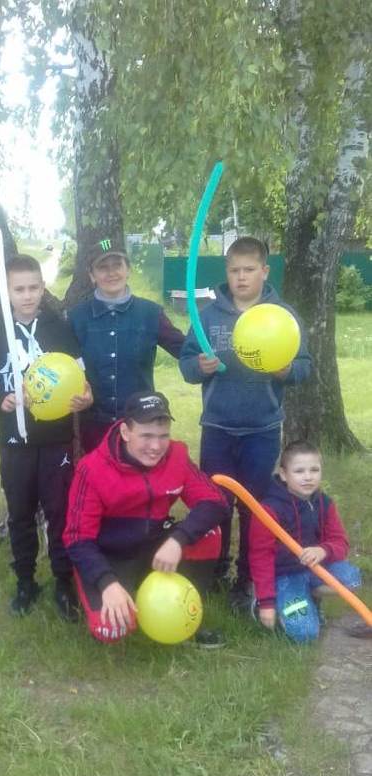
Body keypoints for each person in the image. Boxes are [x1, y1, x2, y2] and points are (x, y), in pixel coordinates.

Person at [178, 236, 312, 608]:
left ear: (264, 271)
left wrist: (287, 370)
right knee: (215, 503)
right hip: (218, 428)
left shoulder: (281, 316)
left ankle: (248, 577)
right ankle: (215, 568)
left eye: (249, 270)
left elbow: (304, 365)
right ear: (227, 272)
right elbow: (186, 364)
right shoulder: (208, 316)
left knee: (255, 507)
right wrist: (198, 366)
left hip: (261, 430)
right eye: (235, 270)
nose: (241, 277)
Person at [0, 254, 93, 619]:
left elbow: (80, 378)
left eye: (33, 288)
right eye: (19, 289)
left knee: (58, 510)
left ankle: (63, 581)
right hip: (14, 441)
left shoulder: (59, 329)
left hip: (55, 438)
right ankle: (25, 581)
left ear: (43, 288)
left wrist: (85, 397)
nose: (27, 295)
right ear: (7, 292)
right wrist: (0, 399)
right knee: (20, 512)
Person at [63, 391, 229, 646]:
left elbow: (215, 502)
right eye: (146, 436)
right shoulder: (92, 468)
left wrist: (178, 540)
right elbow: (77, 538)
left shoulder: (177, 455)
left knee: (209, 532)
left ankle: (184, 609)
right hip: (111, 557)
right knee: (112, 630)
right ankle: (106, 592)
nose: (156, 447)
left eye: (163, 436)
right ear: (125, 432)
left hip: (155, 548)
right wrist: (107, 584)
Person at [68, 239, 185, 452]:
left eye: (117, 265)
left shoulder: (150, 313)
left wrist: (208, 354)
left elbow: (185, 350)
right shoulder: (77, 317)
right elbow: (66, 366)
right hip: (94, 427)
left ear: (128, 269)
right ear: (92, 275)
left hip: (140, 426)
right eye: (103, 267)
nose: (111, 273)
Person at [249, 441, 362, 643]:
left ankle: (308, 597)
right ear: (284, 474)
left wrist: (323, 550)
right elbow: (260, 557)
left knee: (351, 578)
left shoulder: (324, 503)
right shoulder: (268, 510)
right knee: (306, 634)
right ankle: (267, 604)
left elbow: (341, 542)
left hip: (314, 569)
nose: (308, 477)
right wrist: (266, 603)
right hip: (283, 576)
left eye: (314, 470)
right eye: (299, 471)